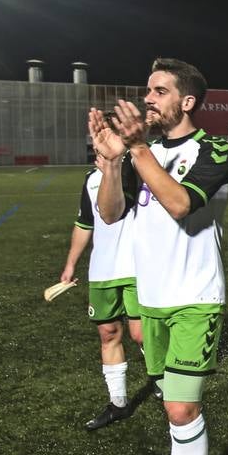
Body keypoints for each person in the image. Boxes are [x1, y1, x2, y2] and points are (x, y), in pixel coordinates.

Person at [89, 57, 228, 455]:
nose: (147, 98)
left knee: (180, 409)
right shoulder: (136, 155)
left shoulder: (216, 150)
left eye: (159, 91)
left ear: (187, 102)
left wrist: (133, 148)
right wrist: (110, 165)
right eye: (146, 90)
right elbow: (110, 215)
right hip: (149, 299)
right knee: (173, 410)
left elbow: (178, 203)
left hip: (195, 299)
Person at [60, 159, 145, 430]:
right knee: (108, 334)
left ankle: (164, 382)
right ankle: (118, 404)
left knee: (141, 333)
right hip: (102, 271)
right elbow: (85, 222)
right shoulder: (90, 178)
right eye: (96, 140)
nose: (99, 145)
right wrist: (71, 263)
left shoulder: (135, 169)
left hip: (137, 267)